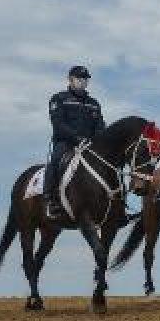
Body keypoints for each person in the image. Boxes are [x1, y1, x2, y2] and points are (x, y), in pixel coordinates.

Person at [46, 65, 105, 218]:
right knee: (55, 161)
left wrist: (98, 141)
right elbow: (58, 124)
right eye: (79, 79)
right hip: (66, 143)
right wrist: (77, 138)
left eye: (85, 79)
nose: (82, 82)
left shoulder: (94, 103)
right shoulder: (59, 99)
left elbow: (100, 126)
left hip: (89, 145)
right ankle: (51, 199)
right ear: (70, 79)